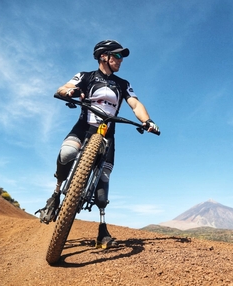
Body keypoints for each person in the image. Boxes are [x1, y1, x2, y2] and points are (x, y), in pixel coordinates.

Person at [36, 40, 159, 249]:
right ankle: (56, 194)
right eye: (117, 56)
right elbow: (65, 87)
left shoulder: (122, 83)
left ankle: (102, 230)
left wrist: (147, 121)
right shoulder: (86, 76)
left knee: (103, 183)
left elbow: (135, 104)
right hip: (84, 127)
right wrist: (70, 92)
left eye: (121, 57)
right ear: (104, 56)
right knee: (66, 153)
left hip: (108, 135)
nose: (121, 61)